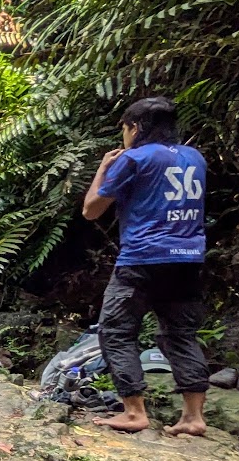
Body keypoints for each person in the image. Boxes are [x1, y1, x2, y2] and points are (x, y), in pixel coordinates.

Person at [81, 95, 209, 436]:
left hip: (142, 258)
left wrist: (103, 169)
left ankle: (134, 412)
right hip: (188, 259)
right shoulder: (195, 158)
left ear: (135, 128)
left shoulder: (134, 158)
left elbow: (91, 209)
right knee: (181, 334)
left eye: (125, 129)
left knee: (116, 332)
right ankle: (193, 417)